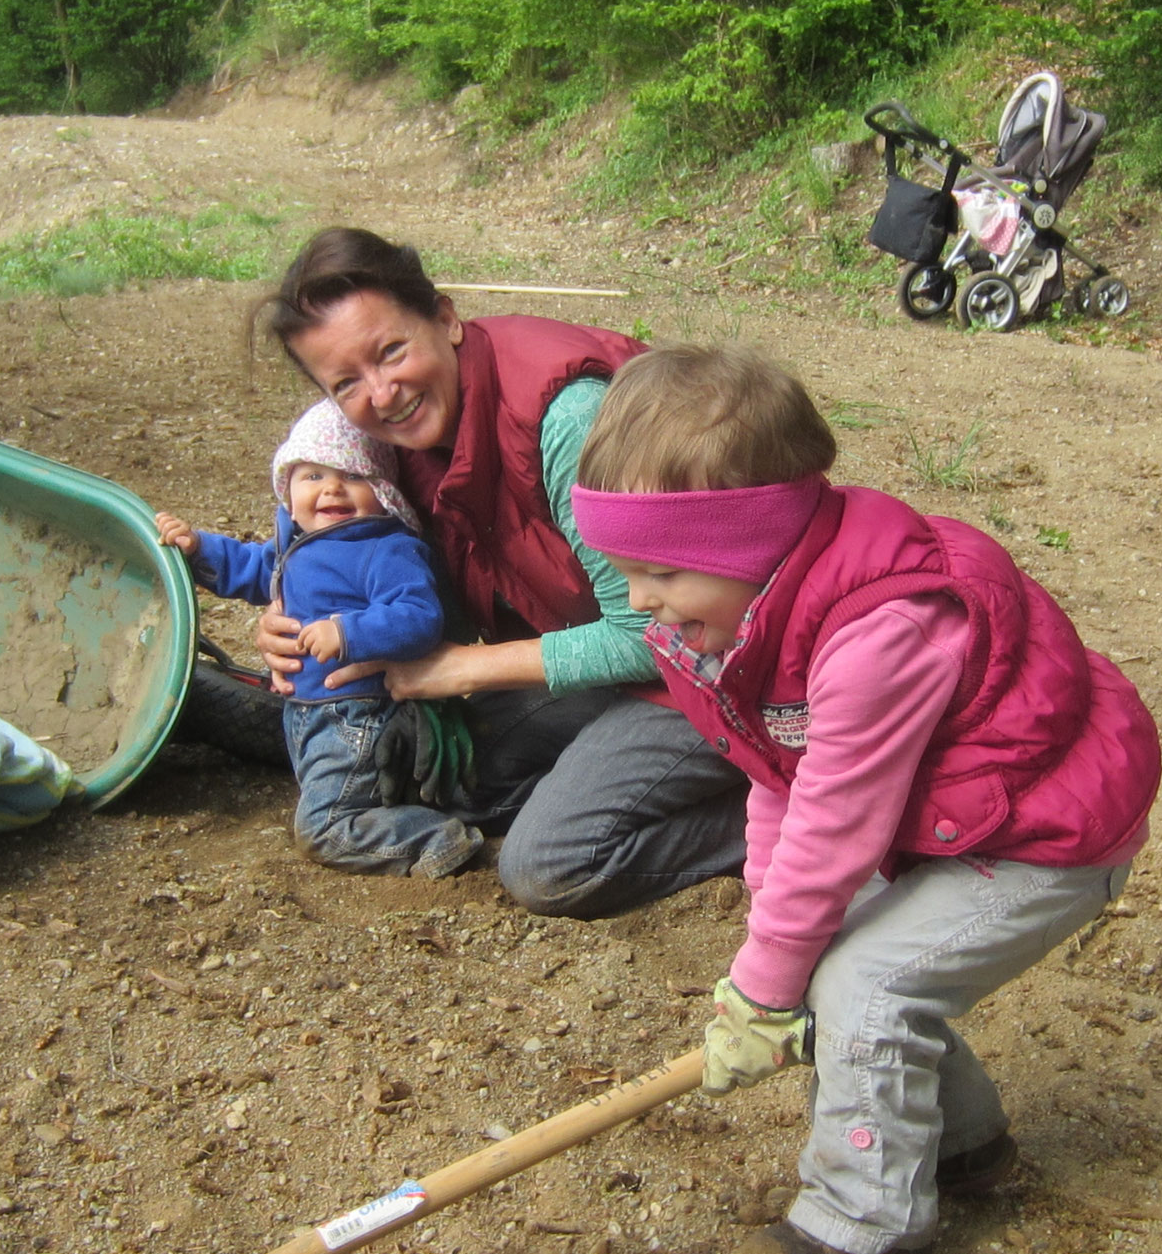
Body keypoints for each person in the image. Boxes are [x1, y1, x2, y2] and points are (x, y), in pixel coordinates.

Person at [567, 344, 1161, 1254]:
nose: (639, 600)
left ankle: (863, 1222)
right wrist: (773, 926)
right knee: (840, 951)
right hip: (959, 819)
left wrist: (766, 985)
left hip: (1047, 834)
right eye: (625, 570)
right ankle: (964, 1148)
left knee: (867, 980)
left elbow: (839, 819)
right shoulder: (726, 623)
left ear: (746, 545)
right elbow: (774, 768)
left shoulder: (881, 629)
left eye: (661, 570)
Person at [251, 226, 747, 918]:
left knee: (546, 864)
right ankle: (603, 777)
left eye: (391, 350)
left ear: (447, 318)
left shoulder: (566, 421)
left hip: (725, 665)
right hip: (609, 658)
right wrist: (290, 620)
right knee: (429, 779)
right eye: (346, 383)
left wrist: (467, 670)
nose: (382, 391)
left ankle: (778, 808)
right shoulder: (397, 443)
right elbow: (344, 548)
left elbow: (655, 636)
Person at [157, 399, 482, 879]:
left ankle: (435, 837)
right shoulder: (298, 544)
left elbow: (418, 616)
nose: (332, 487)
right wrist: (198, 549)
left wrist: (347, 631)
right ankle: (379, 803)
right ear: (288, 491)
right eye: (312, 476)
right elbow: (249, 569)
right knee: (327, 787)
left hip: (356, 714)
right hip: (309, 711)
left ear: (384, 494)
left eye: (352, 476)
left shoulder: (385, 548)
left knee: (325, 827)